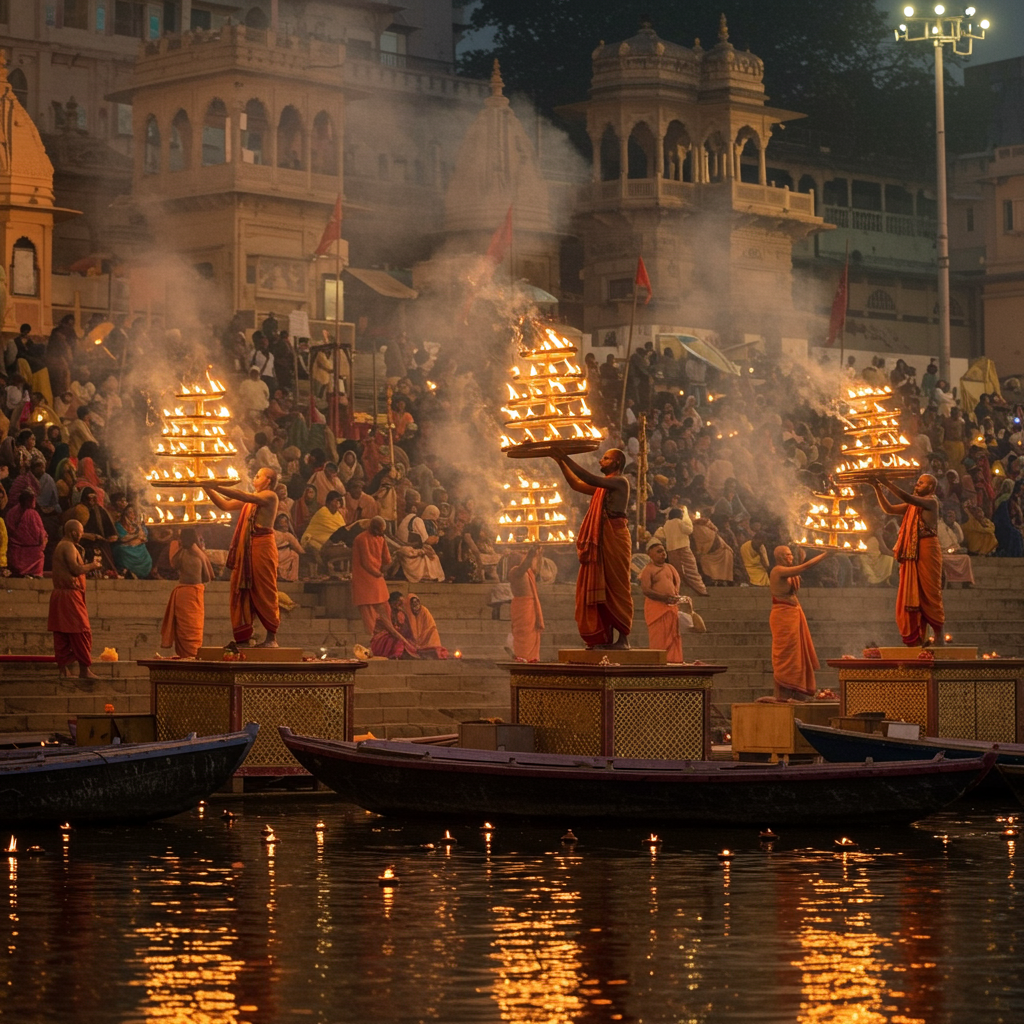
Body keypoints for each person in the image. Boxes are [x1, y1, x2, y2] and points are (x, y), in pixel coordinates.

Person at [551, 448, 632, 649]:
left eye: (606, 458)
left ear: (617, 463)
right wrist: (559, 461)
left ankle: (623, 640)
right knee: (604, 586)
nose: (600, 460)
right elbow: (576, 484)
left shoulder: (620, 482)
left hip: (615, 536)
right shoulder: (603, 487)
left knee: (617, 587)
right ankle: (605, 637)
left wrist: (565, 455)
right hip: (603, 538)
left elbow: (588, 477)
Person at [203, 467, 281, 649]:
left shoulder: (270, 496)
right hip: (246, 548)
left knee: (265, 589)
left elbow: (246, 497)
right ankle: (245, 638)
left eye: (258, 475)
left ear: (268, 480)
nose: (255, 478)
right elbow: (225, 505)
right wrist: (206, 488)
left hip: (262, 546)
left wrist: (217, 485)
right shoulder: (253, 499)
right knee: (241, 590)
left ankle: (271, 638)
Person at [871, 473, 944, 647]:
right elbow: (888, 509)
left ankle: (939, 637)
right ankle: (919, 638)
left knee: (930, 592)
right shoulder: (913, 505)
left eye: (921, 483)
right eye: (917, 482)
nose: (917, 485)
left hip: (927, 548)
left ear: (931, 487)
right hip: (913, 551)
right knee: (914, 592)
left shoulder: (931, 501)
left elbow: (906, 496)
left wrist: (887, 482)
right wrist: (877, 488)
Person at [769, 545, 829, 700]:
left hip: (793, 613)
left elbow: (801, 561)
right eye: (787, 555)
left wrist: (804, 547)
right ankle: (780, 695)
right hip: (782, 616)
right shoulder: (778, 571)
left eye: (791, 555)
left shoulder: (790, 569)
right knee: (784, 654)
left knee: (796, 653)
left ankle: (793, 691)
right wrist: (825, 555)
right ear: (779, 556)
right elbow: (805, 566)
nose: (790, 557)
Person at [49, 520, 102, 679]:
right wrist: (93, 565)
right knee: (81, 631)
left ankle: (64, 670)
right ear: (73, 532)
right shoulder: (67, 546)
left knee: (63, 633)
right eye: (80, 532)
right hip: (69, 595)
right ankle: (84, 671)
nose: (81, 534)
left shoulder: (65, 545)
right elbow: (76, 569)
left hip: (63, 594)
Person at [160, 527, 213, 657]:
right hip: (194, 593)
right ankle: (191, 656)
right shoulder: (200, 553)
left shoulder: (183, 552)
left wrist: (178, 546)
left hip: (186, 594)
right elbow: (207, 577)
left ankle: (188, 656)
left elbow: (173, 564)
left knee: (187, 629)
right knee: (192, 628)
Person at [638, 540, 684, 663]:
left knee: (673, 637)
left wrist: (675, 597)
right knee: (659, 638)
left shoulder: (670, 568)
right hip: (657, 609)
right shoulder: (649, 570)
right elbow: (646, 590)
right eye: (659, 552)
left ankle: (674, 661)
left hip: (670, 607)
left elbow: (676, 584)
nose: (663, 554)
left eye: (663, 551)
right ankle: (659, 662)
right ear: (650, 555)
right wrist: (664, 597)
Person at [351, 516, 391, 637]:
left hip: (372, 579)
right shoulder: (362, 539)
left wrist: (381, 571)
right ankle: (376, 639)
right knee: (370, 612)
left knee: (380, 610)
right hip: (365, 578)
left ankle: (382, 637)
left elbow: (386, 559)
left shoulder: (368, 538)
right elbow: (366, 562)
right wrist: (379, 573)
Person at [508, 544, 545, 662]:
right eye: (520, 555)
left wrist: (538, 554)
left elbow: (535, 567)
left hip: (530, 606)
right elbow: (525, 565)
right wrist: (531, 553)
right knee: (524, 636)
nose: (522, 556)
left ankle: (532, 659)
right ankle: (522, 658)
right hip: (522, 608)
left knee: (532, 635)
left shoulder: (528, 572)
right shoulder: (515, 572)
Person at [658, 506, 706, 596]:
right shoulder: (679, 522)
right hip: (682, 548)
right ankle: (700, 589)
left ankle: (676, 590)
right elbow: (689, 530)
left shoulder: (666, 524)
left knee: (676, 572)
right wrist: (687, 519)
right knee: (691, 570)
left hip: (671, 550)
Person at [300, 490, 348, 576]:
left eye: (339, 501)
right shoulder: (323, 512)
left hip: (331, 542)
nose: (338, 503)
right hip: (314, 540)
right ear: (329, 502)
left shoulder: (338, 515)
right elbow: (331, 530)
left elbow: (341, 529)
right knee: (321, 549)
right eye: (336, 501)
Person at [6, 491, 46, 577]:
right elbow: (39, 534)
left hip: (14, 549)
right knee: (39, 553)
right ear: (29, 501)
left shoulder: (11, 512)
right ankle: (35, 573)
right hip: (30, 550)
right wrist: (44, 540)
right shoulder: (32, 514)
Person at [370, 590, 420, 659]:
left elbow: (406, 630)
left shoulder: (400, 612)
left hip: (395, 637)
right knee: (399, 642)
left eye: (402, 603)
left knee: (410, 643)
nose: (401, 606)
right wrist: (405, 642)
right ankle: (396, 655)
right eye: (399, 603)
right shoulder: (384, 612)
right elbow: (393, 631)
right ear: (393, 602)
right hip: (381, 640)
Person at [112, 505, 153, 579]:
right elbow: (123, 539)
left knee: (147, 556)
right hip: (124, 548)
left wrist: (137, 533)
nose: (132, 515)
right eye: (130, 513)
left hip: (138, 547)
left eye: (134, 513)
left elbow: (144, 538)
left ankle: (140, 574)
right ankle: (127, 572)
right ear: (125, 514)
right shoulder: (119, 525)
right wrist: (136, 536)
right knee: (121, 551)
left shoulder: (138, 525)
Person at [937, 507, 975, 588]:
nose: (952, 518)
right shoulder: (939, 527)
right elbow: (943, 543)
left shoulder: (955, 526)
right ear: (944, 517)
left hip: (955, 552)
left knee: (966, 558)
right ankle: (949, 582)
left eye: (953, 516)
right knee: (946, 561)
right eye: (949, 516)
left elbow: (960, 539)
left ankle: (966, 582)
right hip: (943, 553)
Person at [404, 593, 447, 658]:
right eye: (413, 603)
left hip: (427, 640)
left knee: (433, 635)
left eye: (417, 602)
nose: (416, 605)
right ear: (409, 605)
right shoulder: (406, 614)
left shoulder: (424, 611)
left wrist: (420, 640)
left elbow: (430, 627)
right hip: (414, 643)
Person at [274, 513, 305, 582]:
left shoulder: (272, 532)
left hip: (272, 555)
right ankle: (292, 578)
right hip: (280, 557)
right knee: (295, 555)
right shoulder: (288, 535)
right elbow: (300, 550)